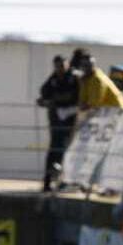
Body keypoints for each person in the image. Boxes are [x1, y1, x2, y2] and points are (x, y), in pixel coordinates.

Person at [37, 54, 81, 193]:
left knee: (66, 150)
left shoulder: (74, 78)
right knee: (54, 150)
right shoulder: (54, 78)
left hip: (70, 121)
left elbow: (73, 97)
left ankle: (64, 180)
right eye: (57, 66)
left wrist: (54, 100)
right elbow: (44, 92)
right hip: (56, 121)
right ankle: (48, 181)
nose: (60, 69)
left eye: (62, 66)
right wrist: (49, 101)